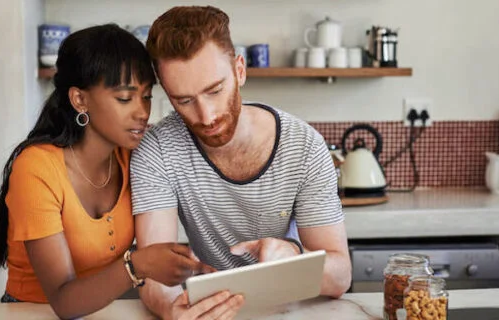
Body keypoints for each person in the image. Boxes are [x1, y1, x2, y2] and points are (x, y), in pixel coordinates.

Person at [0, 24, 242, 320]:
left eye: (146, 96)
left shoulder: (134, 156)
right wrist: (138, 265)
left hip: (102, 313)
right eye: (125, 98)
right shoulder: (35, 169)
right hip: (30, 313)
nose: (142, 112)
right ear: (80, 99)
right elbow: (63, 301)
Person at [131, 6, 352, 319]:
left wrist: (293, 258)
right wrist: (171, 308)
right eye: (184, 100)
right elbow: (153, 273)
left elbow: (341, 276)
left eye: (215, 90)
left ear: (240, 71)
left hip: (286, 307)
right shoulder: (157, 150)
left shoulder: (304, 147)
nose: (206, 116)